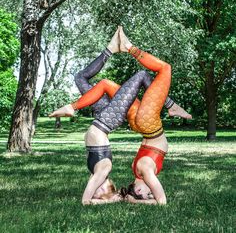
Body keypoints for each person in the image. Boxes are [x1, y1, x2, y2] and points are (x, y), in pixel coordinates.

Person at [50, 26, 192, 205]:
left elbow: (161, 201)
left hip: (144, 124)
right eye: (151, 194)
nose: (152, 193)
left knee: (160, 70)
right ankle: (171, 105)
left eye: (148, 194)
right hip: (143, 124)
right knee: (135, 77)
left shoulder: (143, 171)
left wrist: (127, 199)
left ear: (139, 189)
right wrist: (133, 200)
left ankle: (123, 48)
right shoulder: (144, 170)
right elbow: (160, 202)